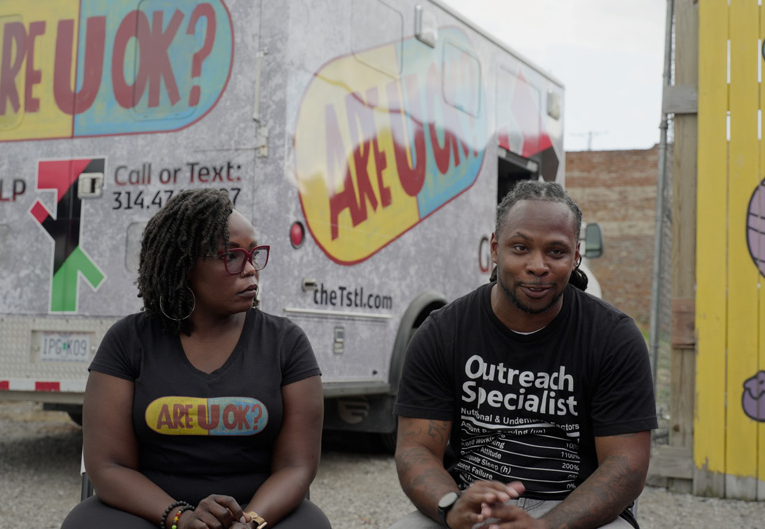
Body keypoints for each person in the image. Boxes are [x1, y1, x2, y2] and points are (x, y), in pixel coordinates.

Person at [389, 181, 656, 529]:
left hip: (575, 512)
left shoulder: (613, 338)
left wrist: (545, 526)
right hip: (473, 503)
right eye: (520, 247)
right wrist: (452, 505)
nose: (537, 265)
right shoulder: (442, 333)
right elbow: (416, 449)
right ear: (496, 249)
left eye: (556, 252)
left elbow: (626, 465)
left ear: (576, 256)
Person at [62, 188, 331, 529]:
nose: (251, 270)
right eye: (232, 256)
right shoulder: (128, 341)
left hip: (257, 511)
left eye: (254, 254)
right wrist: (180, 517)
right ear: (185, 265)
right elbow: (109, 466)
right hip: (152, 512)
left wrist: (250, 522)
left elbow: (297, 467)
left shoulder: (285, 342)